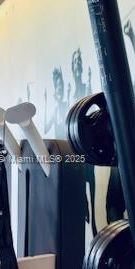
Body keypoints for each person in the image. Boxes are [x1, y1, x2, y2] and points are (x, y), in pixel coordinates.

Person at [106, 20, 135, 223]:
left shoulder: (129, 96)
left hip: (125, 160)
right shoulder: (112, 102)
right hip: (118, 161)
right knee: (113, 210)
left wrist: (131, 37)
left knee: (119, 209)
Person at [70, 49, 98, 236]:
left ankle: (94, 227)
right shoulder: (71, 93)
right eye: (76, 63)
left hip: (89, 154)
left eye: (79, 62)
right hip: (75, 155)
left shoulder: (87, 86)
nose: (78, 66)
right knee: (82, 200)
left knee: (92, 195)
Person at [44, 67, 69, 139]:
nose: (61, 88)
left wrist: (68, 95)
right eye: (58, 86)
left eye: (62, 86)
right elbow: (45, 130)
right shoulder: (54, 110)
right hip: (59, 144)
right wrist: (45, 102)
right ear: (55, 89)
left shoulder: (66, 105)